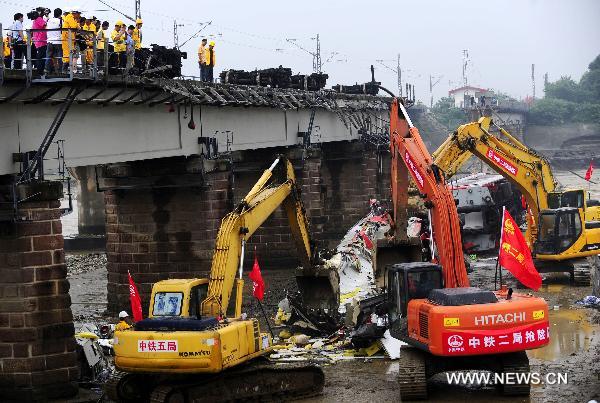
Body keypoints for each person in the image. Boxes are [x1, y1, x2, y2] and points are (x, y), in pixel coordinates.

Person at [61, 7, 80, 73]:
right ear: (75, 13)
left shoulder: (72, 18)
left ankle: (66, 70)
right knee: (67, 54)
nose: (79, 15)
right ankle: (64, 70)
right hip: (66, 38)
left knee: (70, 53)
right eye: (79, 13)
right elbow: (74, 26)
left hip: (70, 39)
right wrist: (77, 24)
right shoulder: (70, 17)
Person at [45, 8, 62, 74]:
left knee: (48, 56)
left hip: (49, 41)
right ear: (60, 14)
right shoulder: (60, 21)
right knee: (59, 56)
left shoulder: (49, 20)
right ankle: (60, 70)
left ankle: (47, 70)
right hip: (58, 41)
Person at [31, 9, 47, 75]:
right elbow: (45, 25)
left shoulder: (34, 21)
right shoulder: (39, 18)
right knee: (42, 57)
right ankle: (40, 71)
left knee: (39, 56)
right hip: (41, 41)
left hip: (37, 40)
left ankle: (39, 71)